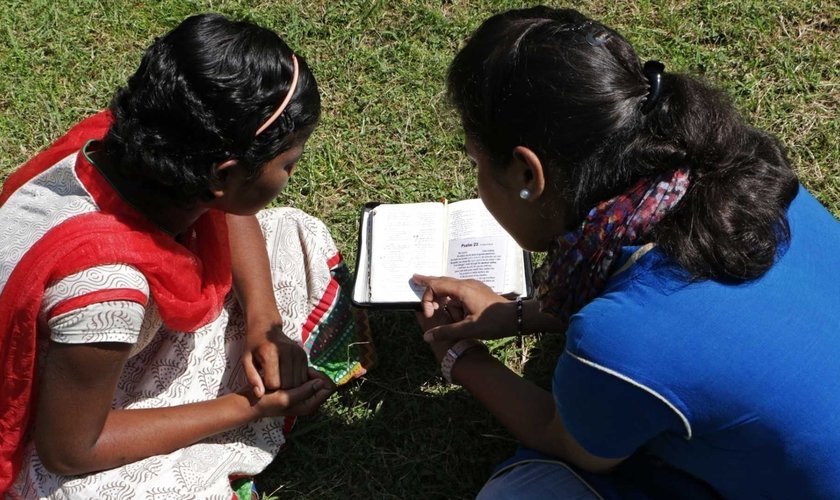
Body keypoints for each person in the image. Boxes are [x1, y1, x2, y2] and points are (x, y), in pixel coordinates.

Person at [413, 6, 840, 498]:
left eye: (476, 162)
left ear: (528, 174)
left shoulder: (614, 342)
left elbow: (566, 439)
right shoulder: (753, 181)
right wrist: (518, 316)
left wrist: (462, 359)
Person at [0, 14, 372, 498]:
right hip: (45, 414)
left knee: (293, 234)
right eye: (288, 164)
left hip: (86, 355)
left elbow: (224, 208)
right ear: (225, 175)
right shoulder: (106, 288)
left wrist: (264, 324)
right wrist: (248, 407)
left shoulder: (134, 144)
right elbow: (68, 450)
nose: (289, 177)